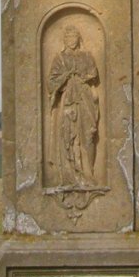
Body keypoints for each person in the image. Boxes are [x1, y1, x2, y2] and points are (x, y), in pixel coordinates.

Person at [47, 24, 100, 185]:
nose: (72, 40)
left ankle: (89, 174)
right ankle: (70, 176)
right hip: (68, 100)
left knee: (89, 134)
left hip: (85, 99)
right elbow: (51, 83)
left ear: (78, 39)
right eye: (69, 37)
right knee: (67, 137)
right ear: (65, 40)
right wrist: (65, 76)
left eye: (74, 37)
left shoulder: (86, 56)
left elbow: (94, 73)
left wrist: (83, 76)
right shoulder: (60, 58)